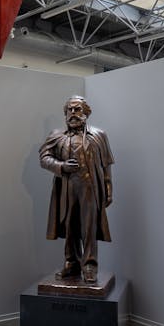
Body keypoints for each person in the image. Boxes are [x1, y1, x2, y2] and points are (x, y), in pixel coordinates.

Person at [39, 96, 114, 284]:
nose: (73, 113)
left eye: (77, 109)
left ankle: (89, 265)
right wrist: (61, 166)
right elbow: (44, 158)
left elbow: (106, 164)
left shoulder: (99, 135)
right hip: (67, 187)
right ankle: (71, 262)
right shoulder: (57, 135)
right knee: (69, 224)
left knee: (89, 226)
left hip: (90, 188)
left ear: (86, 113)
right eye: (69, 110)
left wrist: (108, 187)